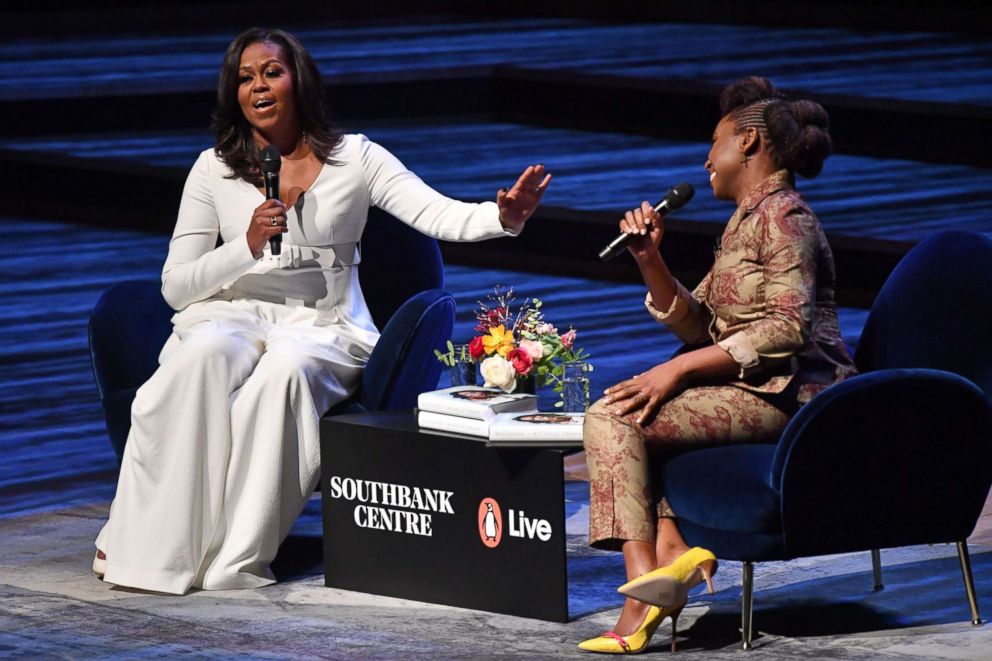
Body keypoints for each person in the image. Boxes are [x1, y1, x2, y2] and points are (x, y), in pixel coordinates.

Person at [93, 27, 551, 595]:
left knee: (286, 372)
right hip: (233, 315)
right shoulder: (213, 169)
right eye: (245, 77)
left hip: (323, 325)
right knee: (202, 357)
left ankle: (234, 559)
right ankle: (151, 549)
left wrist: (505, 216)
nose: (257, 85)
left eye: (271, 72)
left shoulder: (355, 158)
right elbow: (175, 288)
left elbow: (438, 216)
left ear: (298, 79)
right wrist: (246, 247)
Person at [578, 76, 856, 654]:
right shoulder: (743, 222)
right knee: (626, 408)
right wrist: (650, 259)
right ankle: (672, 551)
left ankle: (641, 592)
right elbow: (700, 323)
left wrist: (677, 371)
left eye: (716, 142)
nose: (706, 159)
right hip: (749, 386)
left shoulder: (787, 218)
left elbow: (787, 328)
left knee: (614, 416)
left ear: (749, 144)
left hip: (794, 396)